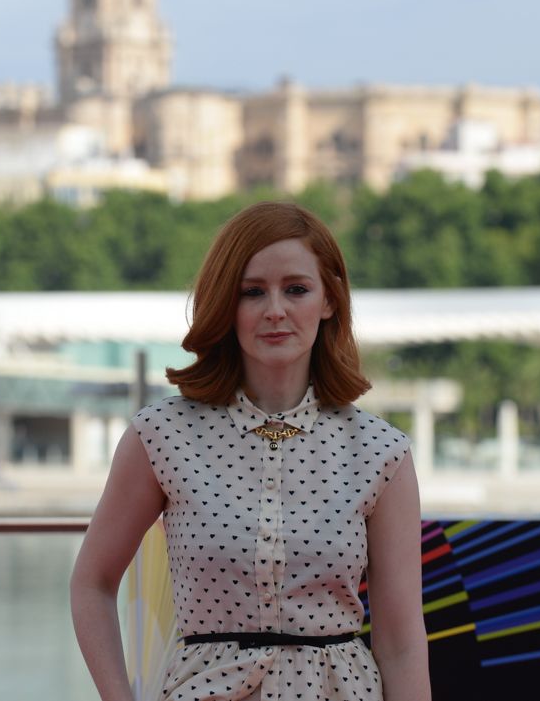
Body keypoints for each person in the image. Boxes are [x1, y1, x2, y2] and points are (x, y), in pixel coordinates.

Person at [71, 201, 430, 701]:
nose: (275, 310)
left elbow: (400, 641)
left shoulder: (380, 452)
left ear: (330, 301)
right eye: (252, 292)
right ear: (225, 304)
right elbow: (92, 582)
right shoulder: (161, 435)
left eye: (297, 289)